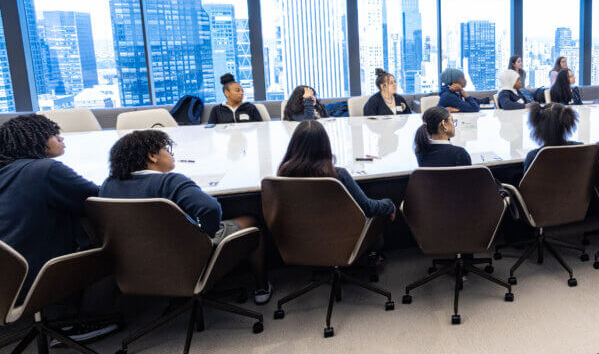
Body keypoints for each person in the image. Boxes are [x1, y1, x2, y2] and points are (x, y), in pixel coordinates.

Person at [100, 130, 272, 304]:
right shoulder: (169, 182)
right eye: (167, 149)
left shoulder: (108, 186)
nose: (171, 153)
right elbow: (210, 209)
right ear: (152, 156)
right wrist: (207, 234)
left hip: (136, 264)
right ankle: (261, 285)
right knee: (252, 222)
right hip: (185, 257)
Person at [0, 115, 98, 302]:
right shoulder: (46, 170)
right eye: (53, 135)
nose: (61, 139)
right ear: (35, 140)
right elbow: (100, 198)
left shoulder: (6, 171)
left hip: (7, 277)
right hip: (34, 276)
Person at [276, 121, 396, 218]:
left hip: (295, 241)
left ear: (294, 146)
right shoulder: (338, 175)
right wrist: (389, 205)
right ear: (325, 146)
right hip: (342, 240)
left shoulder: (283, 176)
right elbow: (368, 208)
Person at [523, 102, 580, 171]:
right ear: (567, 123)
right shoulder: (581, 148)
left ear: (538, 126)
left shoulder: (533, 157)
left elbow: (527, 181)